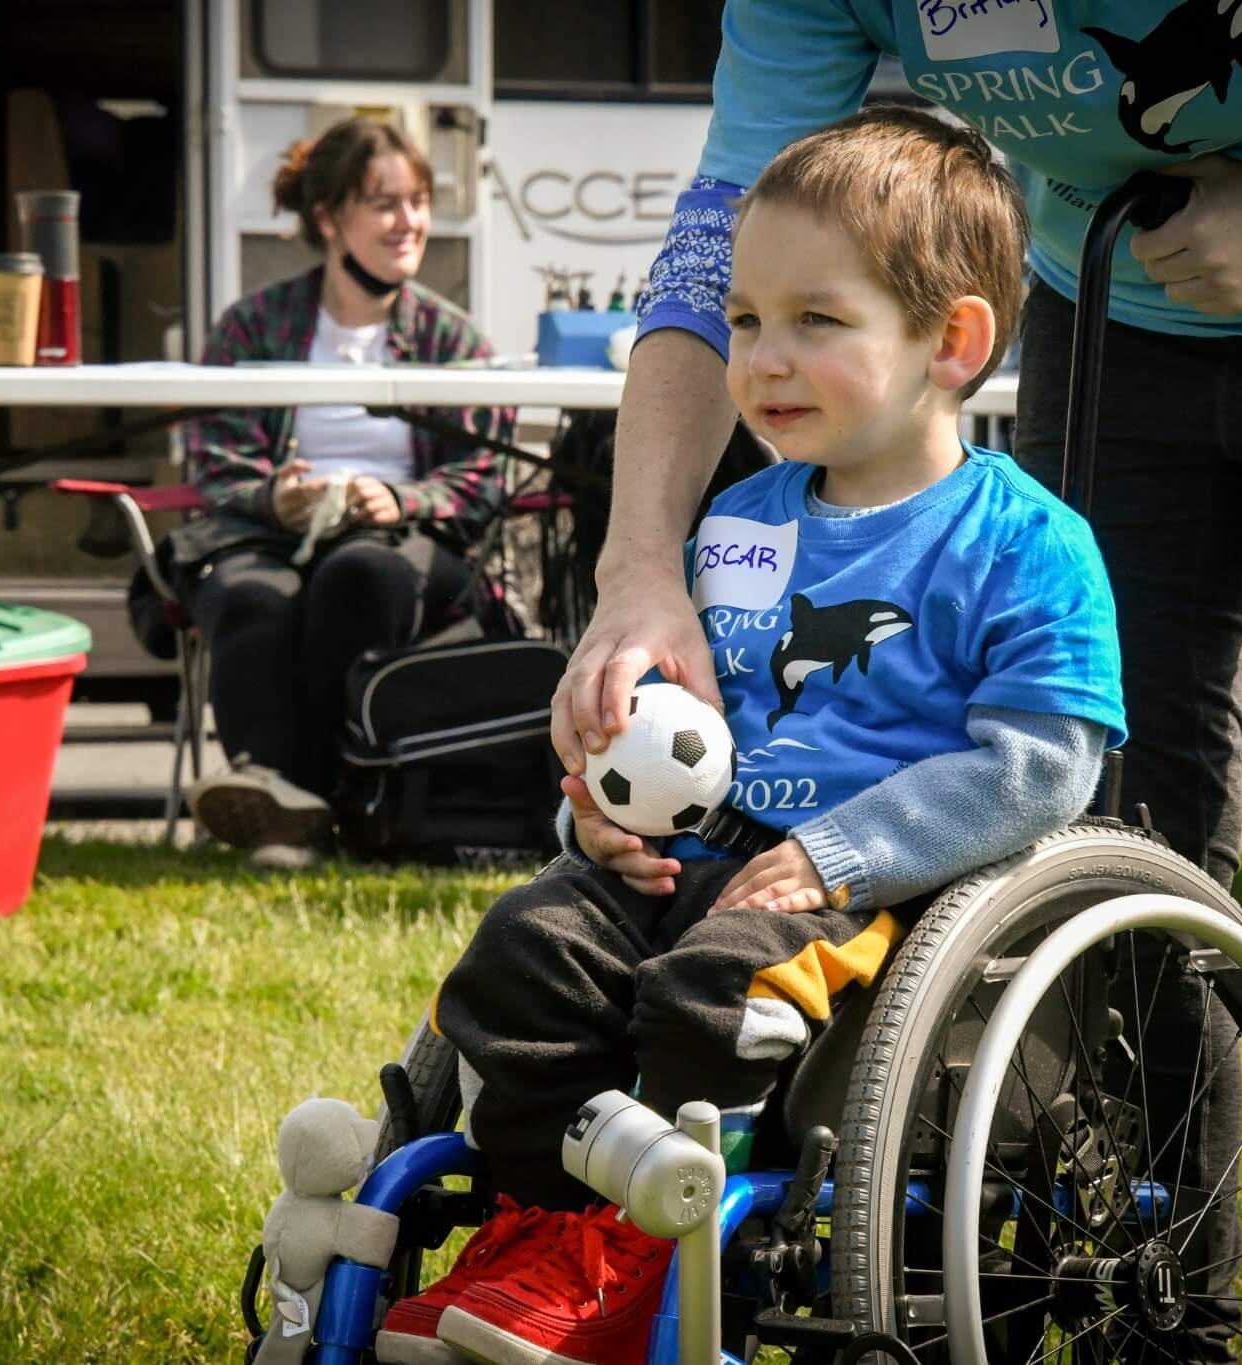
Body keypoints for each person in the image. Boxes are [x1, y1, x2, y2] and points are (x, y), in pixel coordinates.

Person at [555, 3, 1242, 1358]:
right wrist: (638, 572)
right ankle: (1173, 1318)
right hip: (1120, 303)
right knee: (1125, 838)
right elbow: (722, 221)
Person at [373, 107, 1126, 1365]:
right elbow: (669, 733)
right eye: (740, 320)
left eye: (813, 321)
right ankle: (548, 1236)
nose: (762, 360)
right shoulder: (730, 525)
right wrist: (595, 816)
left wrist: (838, 852)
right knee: (523, 948)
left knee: (718, 984)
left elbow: (1042, 765)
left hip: (881, 895)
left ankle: (633, 1256)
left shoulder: (1024, 542)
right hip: (694, 862)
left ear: (952, 342)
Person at [163, 117, 513, 870]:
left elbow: (482, 476)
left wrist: (404, 500)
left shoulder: (454, 341)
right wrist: (271, 498)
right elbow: (214, 456)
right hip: (271, 531)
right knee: (251, 593)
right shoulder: (254, 326)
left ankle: (326, 801)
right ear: (329, 219)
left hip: (402, 537)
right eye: (384, 203)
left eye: (417, 200)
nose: (410, 221)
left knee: (362, 573)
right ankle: (280, 803)